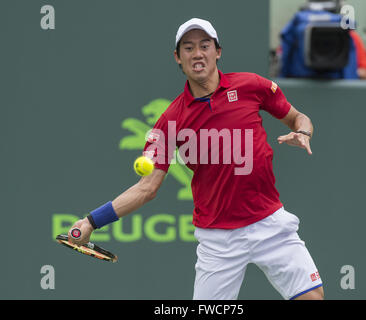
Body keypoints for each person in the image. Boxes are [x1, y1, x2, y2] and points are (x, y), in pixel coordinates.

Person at [68, 18, 324, 300]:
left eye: (205, 45)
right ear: (178, 58)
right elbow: (146, 188)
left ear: (218, 52)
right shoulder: (169, 122)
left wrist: (303, 131)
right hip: (218, 241)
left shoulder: (252, 86)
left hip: (269, 223)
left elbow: (297, 117)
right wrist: (91, 221)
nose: (197, 53)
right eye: (188, 48)